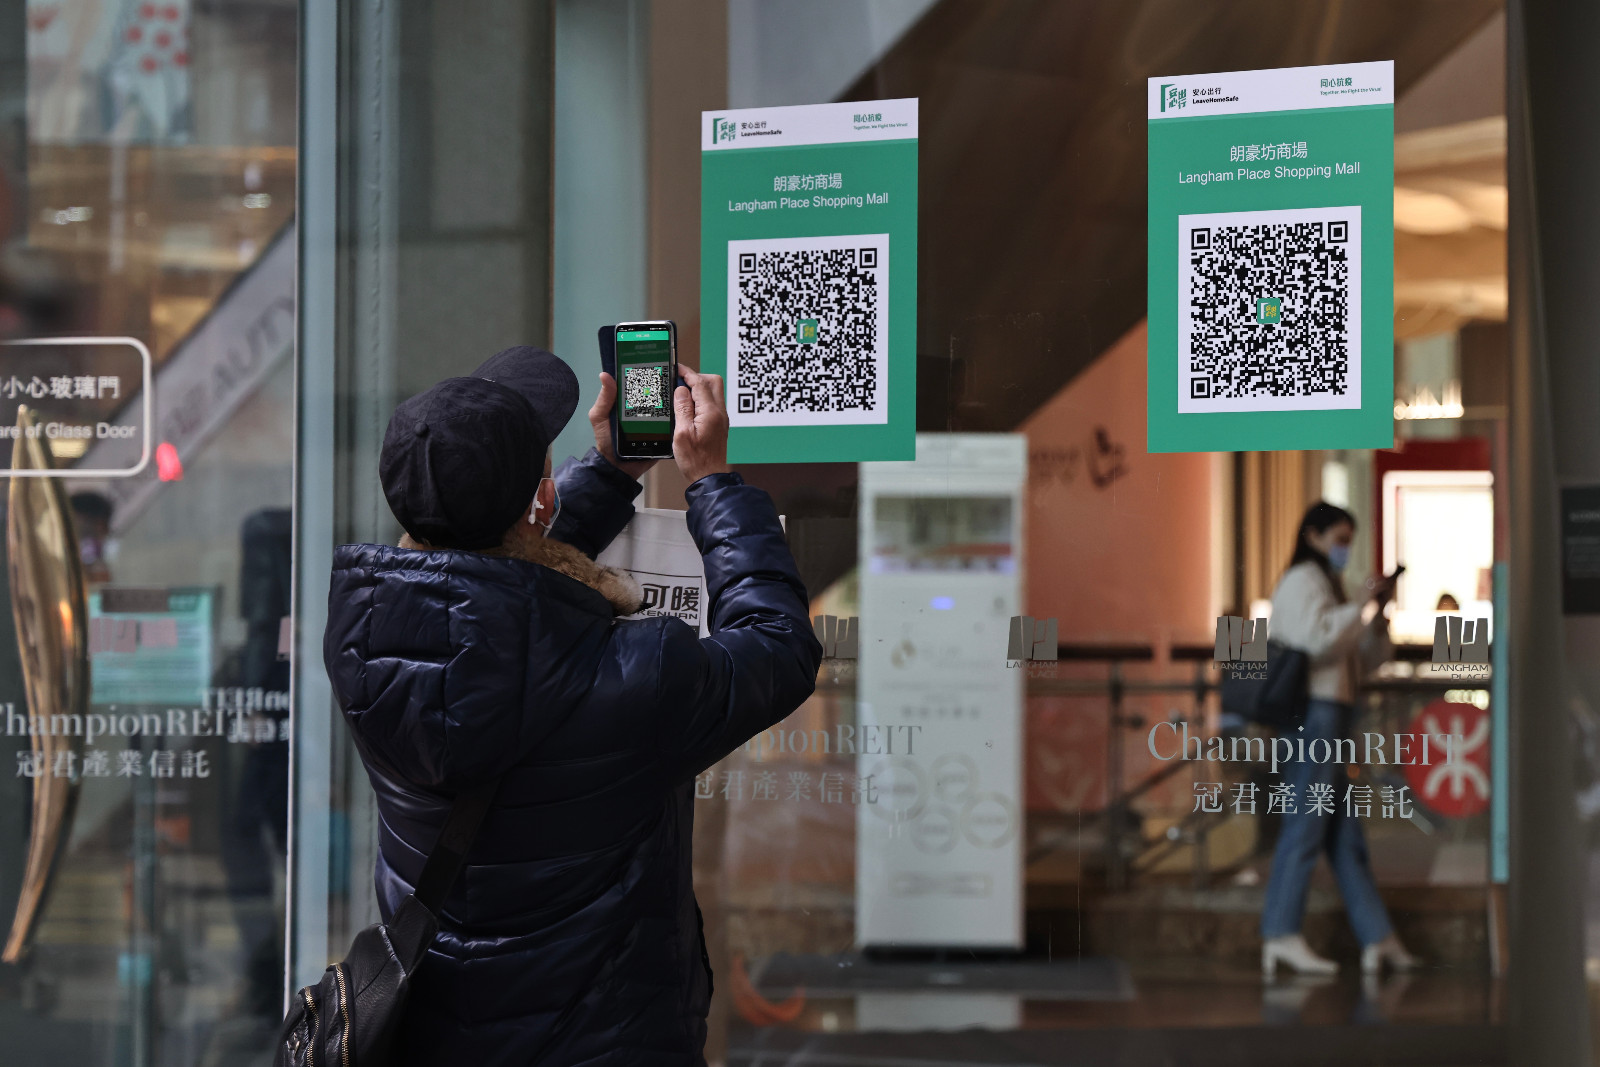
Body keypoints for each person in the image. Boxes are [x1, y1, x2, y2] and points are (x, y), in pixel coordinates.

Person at [323, 346, 822, 1065]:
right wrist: (712, 481)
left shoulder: (363, 652)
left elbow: (493, 594)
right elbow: (778, 645)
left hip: (439, 1039)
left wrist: (612, 472)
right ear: (541, 502)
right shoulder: (635, 675)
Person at [1259, 501, 1418, 977]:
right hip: (1314, 714)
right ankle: (1281, 931)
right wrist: (1361, 605)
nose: (1345, 548)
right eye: (1340, 538)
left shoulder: (1328, 584)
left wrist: (1376, 613)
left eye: (1350, 539)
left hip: (1333, 713)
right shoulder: (1301, 582)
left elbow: (1361, 659)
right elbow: (1319, 640)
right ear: (1313, 536)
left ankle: (1377, 937)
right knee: (1306, 823)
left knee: (1343, 832)